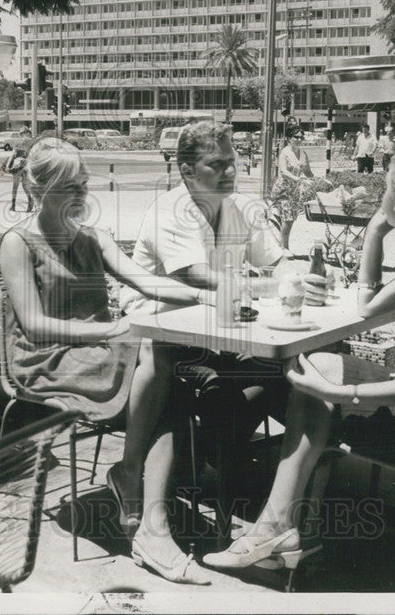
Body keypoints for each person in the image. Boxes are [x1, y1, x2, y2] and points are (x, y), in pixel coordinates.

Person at [202, 141, 395, 571]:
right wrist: (376, 234)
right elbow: (367, 307)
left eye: (387, 182)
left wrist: (338, 393)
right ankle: (282, 528)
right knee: (317, 373)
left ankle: (278, 529)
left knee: (314, 391)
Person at [0, 137, 211, 584]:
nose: (81, 196)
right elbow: (35, 326)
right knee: (160, 361)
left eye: (83, 185)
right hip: (47, 358)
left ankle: (141, 503)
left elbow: (148, 282)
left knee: (167, 373)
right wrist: (111, 329)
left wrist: (213, 294)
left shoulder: (94, 237)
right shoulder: (18, 242)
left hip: (99, 348)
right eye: (69, 187)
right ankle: (134, 487)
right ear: (39, 189)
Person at [117, 121, 293, 584]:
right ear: (187, 169)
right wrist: (267, 283)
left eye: (233, 161)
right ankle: (166, 490)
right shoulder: (171, 209)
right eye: (218, 164)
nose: (230, 170)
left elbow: (275, 259)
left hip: (216, 330)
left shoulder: (238, 208)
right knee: (179, 376)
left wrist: (296, 274)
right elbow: (196, 274)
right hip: (158, 328)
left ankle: (269, 502)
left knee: (292, 368)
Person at [269, 128, 316, 251]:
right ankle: (284, 248)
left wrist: (317, 181)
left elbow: (307, 171)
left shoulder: (302, 153)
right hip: (283, 190)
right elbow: (283, 171)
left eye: (301, 137)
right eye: (296, 137)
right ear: (289, 138)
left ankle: (281, 243)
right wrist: (297, 179)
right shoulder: (285, 152)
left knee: (290, 219)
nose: (299, 139)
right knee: (288, 218)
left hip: (295, 191)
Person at [2, 128, 33, 212]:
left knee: (15, 186)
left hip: (18, 166)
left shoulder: (19, 142)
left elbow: (13, 154)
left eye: (22, 133)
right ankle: (30, 201)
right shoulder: (32, 143)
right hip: (27, 165)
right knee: (25, 186)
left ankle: (13, 205)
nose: (22, 135)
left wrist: (8, 165)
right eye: (21, 134)